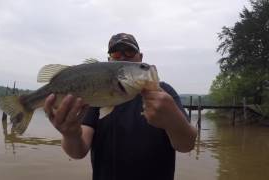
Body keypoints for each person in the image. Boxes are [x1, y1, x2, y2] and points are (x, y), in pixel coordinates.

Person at [44, 33, 197, 180]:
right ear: (109, 60)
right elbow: (78, 152)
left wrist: (173, 121)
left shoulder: (165, 94)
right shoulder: (94, 99)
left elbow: (186, 146)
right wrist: (70, 135)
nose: (123, 56)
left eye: (130, 51)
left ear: (140, 57)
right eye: (116, 54)